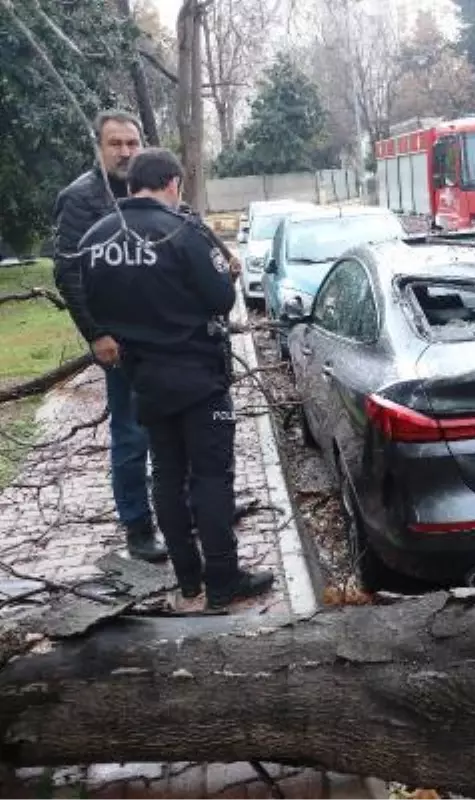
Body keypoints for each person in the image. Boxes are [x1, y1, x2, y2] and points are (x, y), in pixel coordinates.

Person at [78, 147, 273, 611]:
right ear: (171, 183)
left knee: (166, 475)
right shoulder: (181, 230)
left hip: (143, 376)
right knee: (210, 478)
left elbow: (93, 303)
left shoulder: (96, 237)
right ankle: (223, 580)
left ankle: (189, 581)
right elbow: (221, 297)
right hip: (199, 376)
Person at [52, 110, 240, 564]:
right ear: (99, 148)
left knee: (175, 441)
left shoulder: (155, 190)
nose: (125, 152)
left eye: (132, 143)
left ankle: (191, 516)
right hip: (124, 344)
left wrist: (221, 254)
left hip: (172, 343)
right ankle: (138, 526)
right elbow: (69, 270)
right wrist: (97, 333)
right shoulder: (81, 198)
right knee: (131, 434)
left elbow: (191, 227)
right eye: (115, 144)